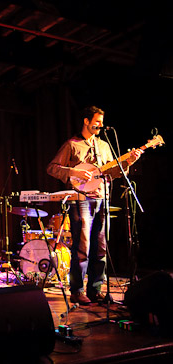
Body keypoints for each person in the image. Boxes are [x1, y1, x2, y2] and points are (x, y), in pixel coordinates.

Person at [47, 106, 142, 305]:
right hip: (81, 200)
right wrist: (75, 172)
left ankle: (95, 289)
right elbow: (52, 168)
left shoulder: (104, 146)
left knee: (100, 247)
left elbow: (113, 172)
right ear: (86, 121)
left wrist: (128, 162)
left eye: (101, 121)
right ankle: (77, 290)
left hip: (101, 199)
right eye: (97, 121)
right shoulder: (72, 145)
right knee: (82, 247)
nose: (100, 125)